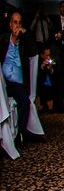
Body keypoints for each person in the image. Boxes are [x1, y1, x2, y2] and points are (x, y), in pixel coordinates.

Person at [1, 12, 34, 145]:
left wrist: (25, 35)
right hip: (2, 82)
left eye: (19, 23)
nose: (17, 25)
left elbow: (34, 50)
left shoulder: (24, 43)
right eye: (15, 22)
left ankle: (20, 133)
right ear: (10, 25)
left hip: (16, 84)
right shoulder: (3, 40)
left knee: (24, 103)